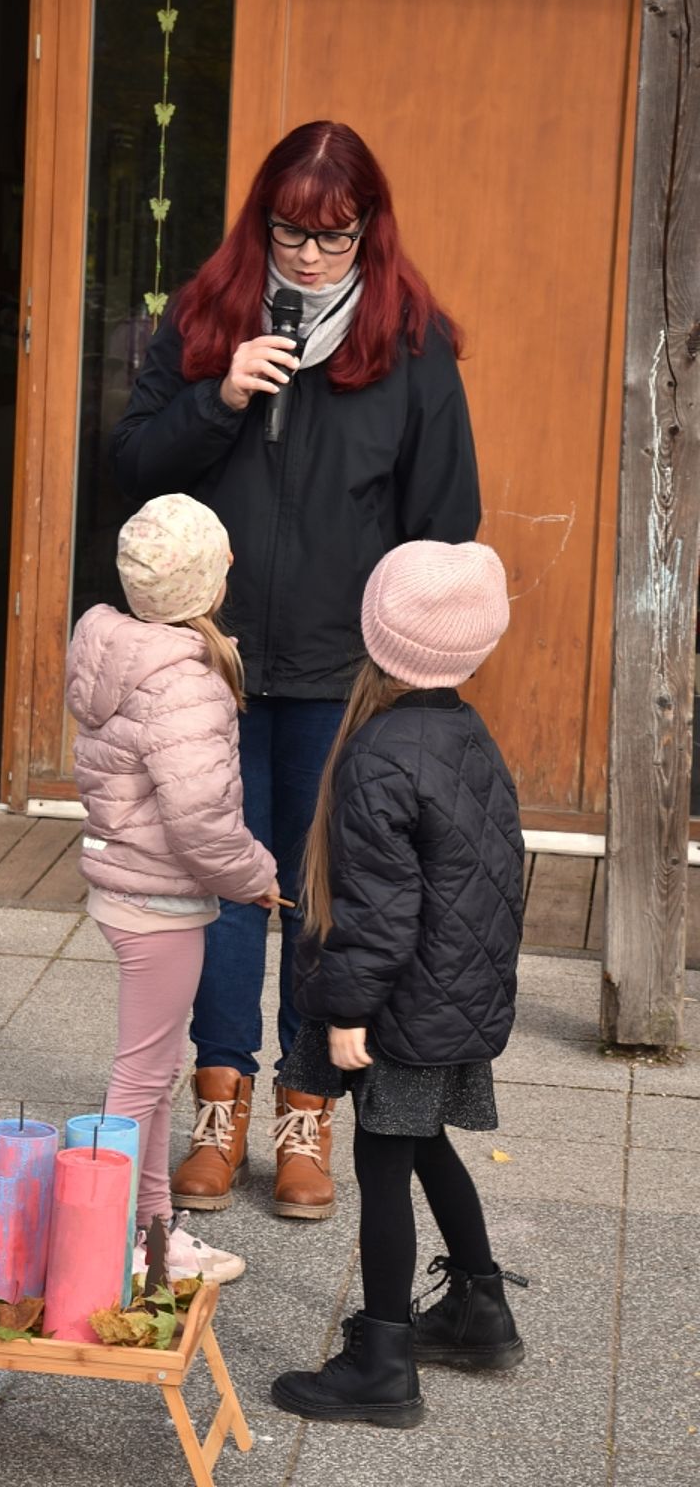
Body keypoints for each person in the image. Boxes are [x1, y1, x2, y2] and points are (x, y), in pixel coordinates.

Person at [112, 120, 481, 1220]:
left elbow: (444, 524)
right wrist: (218, 398)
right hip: (211, 667)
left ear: (369, 229)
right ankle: (217, 1108)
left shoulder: (413, 343)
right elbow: (130, 468)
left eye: (334, 237)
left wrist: (406, 675)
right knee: (225, 888)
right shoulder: (204, 317)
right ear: (259, 222)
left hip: (341, 675)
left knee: (323, 901)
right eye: (290, 235)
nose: (310, 260)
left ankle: (306, 1108)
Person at [270, 540, 526, 1429]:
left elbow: (379, 912)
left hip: (398, 1005)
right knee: (422, 1147)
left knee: (384, 1164)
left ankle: (382, 1362)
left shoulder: (380, 751)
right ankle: (479, 1312)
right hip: (451, 993)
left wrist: (343, 1014)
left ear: (376, 634)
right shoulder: (466, 736)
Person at [65, 492, 280, 1285]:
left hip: (128, 886)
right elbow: (201, 820)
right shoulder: (187, 684)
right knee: (142, 1076)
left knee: (153, 1075)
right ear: (211, 583)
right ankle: (104, 1238)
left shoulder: (116, 655)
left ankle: (155, 1232)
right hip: (159, 900)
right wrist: (257, 876)